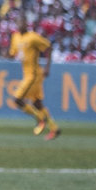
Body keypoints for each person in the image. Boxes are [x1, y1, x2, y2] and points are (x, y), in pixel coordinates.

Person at [7, 13, 60, 141]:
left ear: (26, 23)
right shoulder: (15, 37)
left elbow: (49, 47)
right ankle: (54, 128)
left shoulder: (33, 37)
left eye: (22, 22)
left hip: (34, 75)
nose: (20, 25)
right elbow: (13, 53)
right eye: (18, 23)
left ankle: (39, 118)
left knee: (17, 100)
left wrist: (47, 67)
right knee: (37, 103)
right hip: (27, 74)